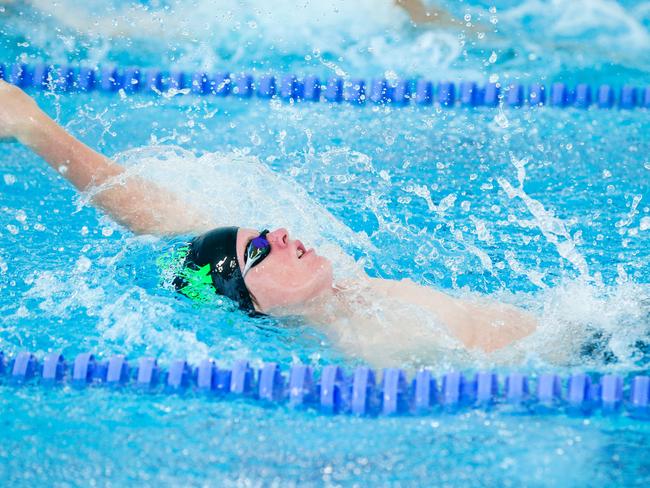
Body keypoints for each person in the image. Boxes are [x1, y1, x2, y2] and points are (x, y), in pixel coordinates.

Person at [0, 80, 537, 366]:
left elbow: (159, 217)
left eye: (262, 233)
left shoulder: (344, 294)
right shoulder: (375, 347)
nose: (278, 235)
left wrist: (35, 127)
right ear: (252, 306)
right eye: (260, 251)